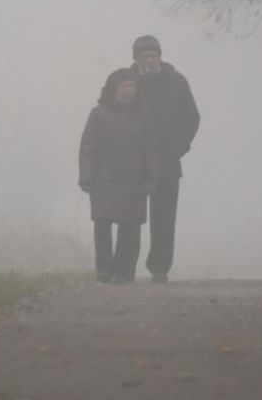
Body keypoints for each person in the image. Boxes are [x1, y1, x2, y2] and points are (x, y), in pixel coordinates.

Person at [78, 68, 159, 284]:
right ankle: (104, 269)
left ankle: (125, 270)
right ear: (113, 89)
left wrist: (152, 178)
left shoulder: (144, 114)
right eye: (123, 86)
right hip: (104, 179)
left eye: (131, 86)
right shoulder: (98, 113)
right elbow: (88, 146)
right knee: (102, 224)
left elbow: (151, 148)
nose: (128, 90)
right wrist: (86, 176)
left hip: (135, 181)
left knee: (130, 227)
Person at [130, 35, 200, 283]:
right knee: (130, 214)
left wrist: (179, 147)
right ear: (135, 59)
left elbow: (192, 118)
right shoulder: (126, 82)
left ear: (160, 55)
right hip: (133, 161)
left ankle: (159, 267)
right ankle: (125, 266)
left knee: (164, 215)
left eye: (153, 54)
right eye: (143, 56)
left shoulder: (176, 81)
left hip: (168, 160)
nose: (149, 59)